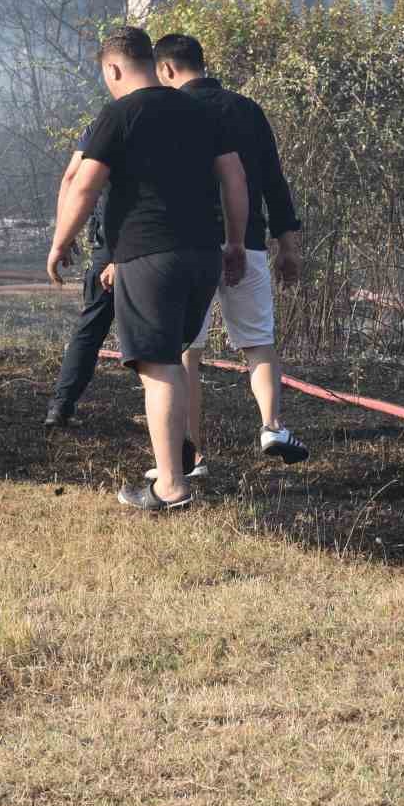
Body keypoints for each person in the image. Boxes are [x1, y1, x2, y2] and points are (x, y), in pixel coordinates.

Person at [48, 26, 249, 512]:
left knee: (157, 369)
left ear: (114, 68)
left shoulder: (118, 114)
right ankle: (177, 462)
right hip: (202, 254)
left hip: (147, 255)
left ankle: (171, 487)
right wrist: (237, 243)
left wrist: (60, 242)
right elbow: (235, 180)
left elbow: (84, 185)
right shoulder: (201, 111)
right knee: (173, 359)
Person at [147, 33, 310, 479]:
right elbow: (274, 182)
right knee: (258, 342)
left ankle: (191, 456)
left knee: (187, 353)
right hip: (249, 243)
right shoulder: (247, 110)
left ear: (165, 70)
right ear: (203, 63)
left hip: (189, 247)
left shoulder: (167, 112)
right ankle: (272, 427)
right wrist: (288, 245)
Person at [43, 124, 114, 428]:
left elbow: (73, 178)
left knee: (91, 325)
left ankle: (61, 406)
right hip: (149, 240)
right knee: (159, 338)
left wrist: (65, 232)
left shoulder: (102, 124)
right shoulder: (168, 114)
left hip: (107, 240)